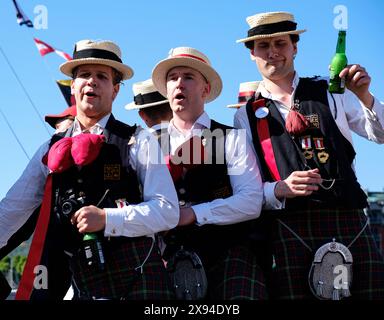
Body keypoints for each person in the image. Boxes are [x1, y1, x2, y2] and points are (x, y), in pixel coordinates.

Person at [0, 39, 179, 300]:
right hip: (83, 274)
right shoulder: (48, 149)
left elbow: (167, 210)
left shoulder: (138, 140)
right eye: (84, 75)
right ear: (73, 86)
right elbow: (13, 208)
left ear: (115, 90)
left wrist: (107, 219)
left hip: (138, 271)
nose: (91, 82)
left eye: (101, 77)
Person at [234, 11, 384, 299]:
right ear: (252, 53)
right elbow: (248, 189)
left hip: (347, 217)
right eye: (263, 46)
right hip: (289, 225)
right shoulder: (245, 116)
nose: (272, 52)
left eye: (280, 43)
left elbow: (381, 134)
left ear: (295, 47)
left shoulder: (331, 92)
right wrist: (278, 188)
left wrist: (365, 96)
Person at [151, 46, 268, 300]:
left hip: (227, 255)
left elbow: (250, 201)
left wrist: (193, 214)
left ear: (206, 89)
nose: (179, 83)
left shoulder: (231, 138)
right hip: (166, 257)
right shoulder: (147, 142)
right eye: (173, 78)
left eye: (188, 77)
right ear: (166, 90)